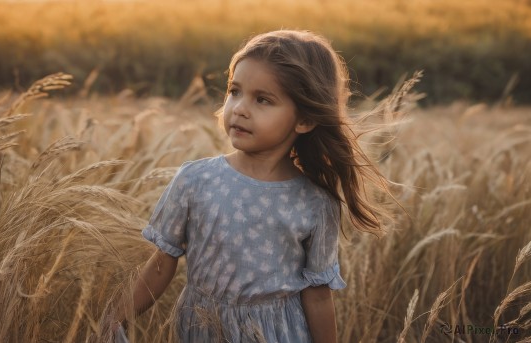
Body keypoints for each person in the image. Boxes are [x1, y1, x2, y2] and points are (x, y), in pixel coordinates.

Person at [113, 30, 390, 343]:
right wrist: (114, 321)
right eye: (234, 91)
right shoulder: (195, 180)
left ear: (304, 120)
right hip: (203, 330)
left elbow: (317, 295)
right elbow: (162, 265)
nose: (240, 108)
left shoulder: (314, 203)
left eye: (263, 99)